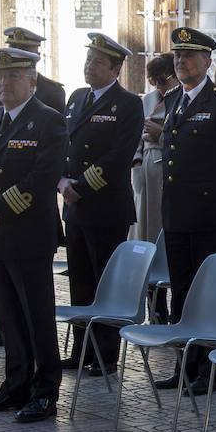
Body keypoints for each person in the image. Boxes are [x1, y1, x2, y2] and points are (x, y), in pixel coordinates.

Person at [0, 47, 68, 423]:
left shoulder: (48, 121)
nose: (4, 83)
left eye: (12, 76)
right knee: (8, 316)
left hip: (27, 234)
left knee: (36, 316)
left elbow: (42, 177)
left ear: (32, 81)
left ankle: (44, 392)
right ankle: (15, 384)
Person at [154, 27, 216, 395]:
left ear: (208, 61)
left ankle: (210, 371)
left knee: (209, 294)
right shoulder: (175, 99)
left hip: (210, 216)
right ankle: (185, 364)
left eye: (190, 56)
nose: (182, 62)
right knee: (181, 292)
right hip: (177, 215)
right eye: (178, 56)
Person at [58, 33, 145, 376]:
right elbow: (64, 146)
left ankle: (106, 355)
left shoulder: (127, 104)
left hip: (105, 207)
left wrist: (81, 186)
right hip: (74, 206)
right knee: (79, 280)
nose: (88, 66)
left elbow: (118, 156)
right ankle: (81, 349)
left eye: (96, 62)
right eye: (88, 60)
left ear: (115, 68)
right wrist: (61, 180)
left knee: (104, 281)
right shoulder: (77, 98)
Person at [132, 54, 178, 244]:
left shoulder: (182, 99)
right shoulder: (147, 99)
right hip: (144, 166)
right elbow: (135, 134)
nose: (158, 86)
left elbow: (187, 141)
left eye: (162, 81)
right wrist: (136, 161)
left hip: (166, 165)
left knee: (161, 221)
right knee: (141, 221)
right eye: (154, 81)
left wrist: (160, 133)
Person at [0, 26, 66, 117]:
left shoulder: (52, 91)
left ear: (38, 55)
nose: (17, 54)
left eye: (25, 50)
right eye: (13, 48)